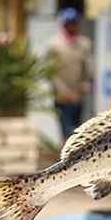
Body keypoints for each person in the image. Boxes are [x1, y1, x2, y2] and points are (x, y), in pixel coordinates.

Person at [47, 7, 94, 140]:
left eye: (74, 23)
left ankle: (75, 158)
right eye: (69, 23)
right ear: (64, 25)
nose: (72, 26)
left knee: (78, 131)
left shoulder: (84, 44)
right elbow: (51, 72)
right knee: (67, 130)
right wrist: (62, 90)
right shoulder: (55, 45)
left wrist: (87, 83)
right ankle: (65, 157)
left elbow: (88, 67)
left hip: (78, 94)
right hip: (62, 96)